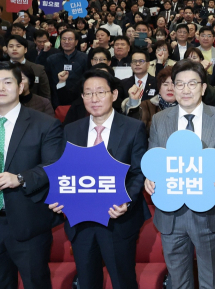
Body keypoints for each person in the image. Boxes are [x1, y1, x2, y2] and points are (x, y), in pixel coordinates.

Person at [49, 69, 148, 289]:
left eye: (100, 92)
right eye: (88, 93)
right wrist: (58, 196)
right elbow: (62, 170)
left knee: (123, 281)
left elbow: (139, 171)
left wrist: (126, 201)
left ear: (114, 95)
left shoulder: (133, 128)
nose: (94, 99)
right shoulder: (71, 130)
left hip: (118, 219)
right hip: (80, 222)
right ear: (82, 97)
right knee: (87, 281)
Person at [0, 61, 64, 289]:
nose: (0, 87)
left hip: (29, 221)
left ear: (21, 87)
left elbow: (55, 166)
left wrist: (20, 178)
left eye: (7, 82)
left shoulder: (45, 124)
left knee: (36, 283)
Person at [145, 60, 215, 289]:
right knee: (178, 280)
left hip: (208, 211)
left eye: (192, 84)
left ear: (203, 88)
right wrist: (150, 177)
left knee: (211, 278)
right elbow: (154, 158)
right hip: (170, 214)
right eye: (180, 84)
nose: (186, 90)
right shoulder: (159, 120)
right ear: (172, 89)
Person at [46, 29, 89, 106]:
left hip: (79, 100)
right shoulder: (51, 59)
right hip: (56, 101)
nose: (66, 42)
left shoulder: (85, 58)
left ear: (76, 42)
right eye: (64, 39)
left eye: (70, 39)